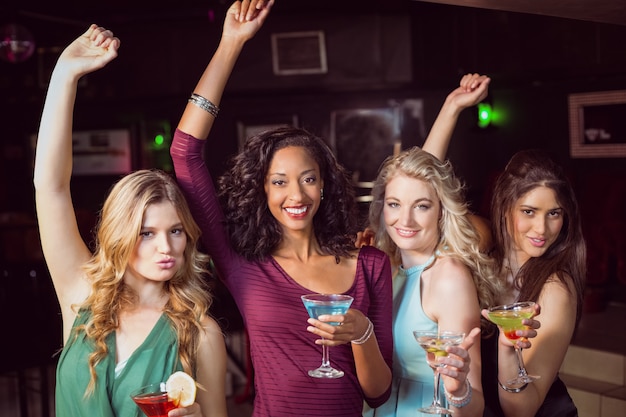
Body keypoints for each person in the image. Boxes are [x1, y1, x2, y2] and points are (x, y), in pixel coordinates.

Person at [170, 1, 393, 417]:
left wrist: (362, 334)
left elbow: (378, 393)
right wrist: (231, 43)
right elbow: (185, 153)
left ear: (324, 185)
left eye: (308, 179)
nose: (297, 195)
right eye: (279, 182)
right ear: (263, 191)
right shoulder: (242, 261)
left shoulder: (370, 265)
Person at [33, 24, 228, 417]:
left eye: (175, 231)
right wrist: (64, 75)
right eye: (146, 233)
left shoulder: (201, 334)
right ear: (120, 236)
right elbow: (49, 185)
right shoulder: (81, 296)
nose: (166, 247)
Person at [363, 142, 502, 417]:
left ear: (441, 210)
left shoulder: (449, 278)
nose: (405, 219)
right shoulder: (384, 266)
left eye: (422, 206)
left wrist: (458, 389)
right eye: (394, 204)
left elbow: (474, 408)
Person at [481, 149, 585, 417]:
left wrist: (506, 352)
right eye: (529, 211)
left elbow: (522, 411)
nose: (541, 228)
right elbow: (423, 185)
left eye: (554, 214)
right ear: (505, 206)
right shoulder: (482, 256)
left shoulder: (556, 289)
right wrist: (452, 108)